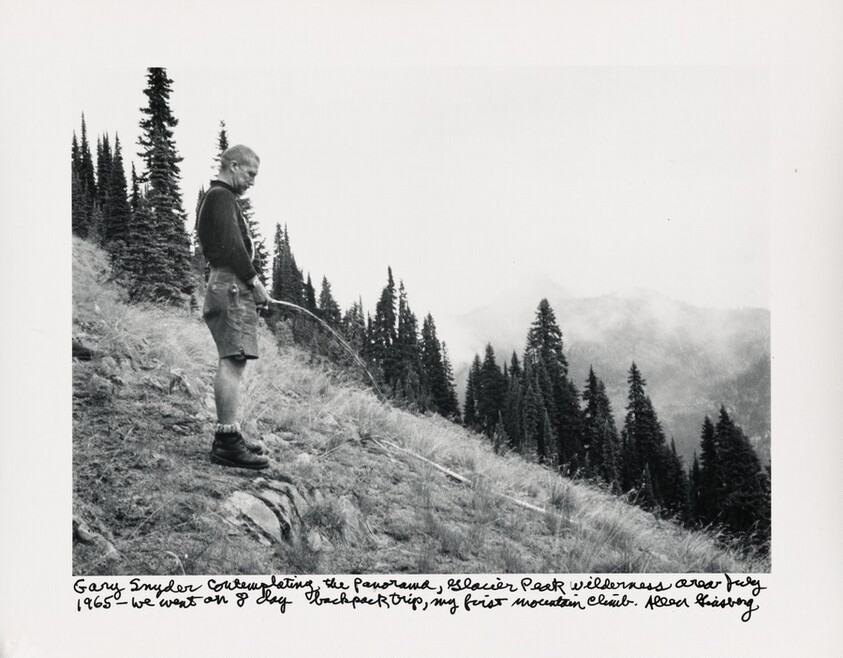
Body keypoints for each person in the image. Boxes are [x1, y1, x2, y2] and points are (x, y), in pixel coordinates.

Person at [197, 144, 271, 470]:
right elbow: (231, 243)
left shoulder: (220, 198)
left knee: (234, 360)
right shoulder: (222, 197)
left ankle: (230, 435)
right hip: (230, 286)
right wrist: (254, 282)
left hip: (227, 284)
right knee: (232, 360)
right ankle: (227, 442)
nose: (253, 181)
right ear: (235, 166)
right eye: (250, 173)